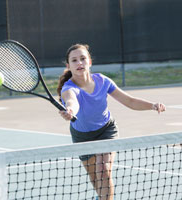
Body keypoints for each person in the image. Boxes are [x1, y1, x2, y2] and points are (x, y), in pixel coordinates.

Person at [57, 44, 166, 200]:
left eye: (83, 58)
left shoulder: (103, 81)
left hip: (106, 130)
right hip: (82, 136)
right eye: (74, 60)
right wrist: (70, 111)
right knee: (94, 177)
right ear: (68, 66)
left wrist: (152, 105)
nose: (79, 63)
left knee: (103, 170)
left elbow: (130, 101)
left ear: (90, 62)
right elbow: (72, 102)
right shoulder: (68, 88)